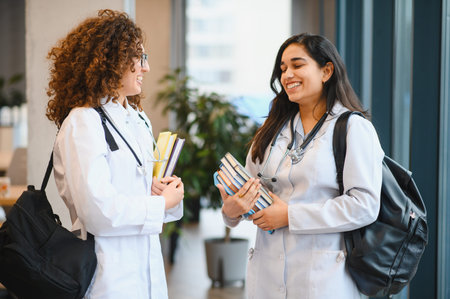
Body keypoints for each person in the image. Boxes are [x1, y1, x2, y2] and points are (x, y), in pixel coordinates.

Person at [217, 33, 384, 298]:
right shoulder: (271, 132)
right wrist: (231, 210)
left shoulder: (353, 128)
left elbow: (364, 205)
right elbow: (244, 194)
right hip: (266, 276)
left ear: (326, 70)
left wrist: (290, 216)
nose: (287, 75)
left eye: (297, 65)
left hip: (323, 278)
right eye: (282, 69)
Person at [46, 9, 184, 299]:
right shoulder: (83, 122)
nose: (146, 68)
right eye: (139, 58)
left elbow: (138, 191)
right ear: (112, 60)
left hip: (148, 277)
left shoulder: (137, 119)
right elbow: (97, 212)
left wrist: (165, 193)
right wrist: (159, 205)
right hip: (108, 281)